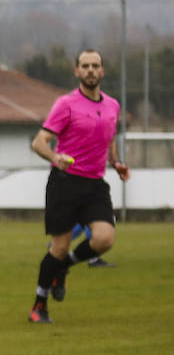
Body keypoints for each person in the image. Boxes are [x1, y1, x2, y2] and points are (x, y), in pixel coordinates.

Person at [26, 48, 129, 323]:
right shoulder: (66, 104)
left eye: (96, 65)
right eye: (85, 66)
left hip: (95, 184)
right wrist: (54, 157)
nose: (91, 70)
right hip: (65, 183)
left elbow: (108, 139)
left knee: (105, 238)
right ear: (77, 71)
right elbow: (39, 142)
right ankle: (39, 304)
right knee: (58, 247)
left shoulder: (112, 106)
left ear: (102, 71)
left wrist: (117, 163)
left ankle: (63, 269)